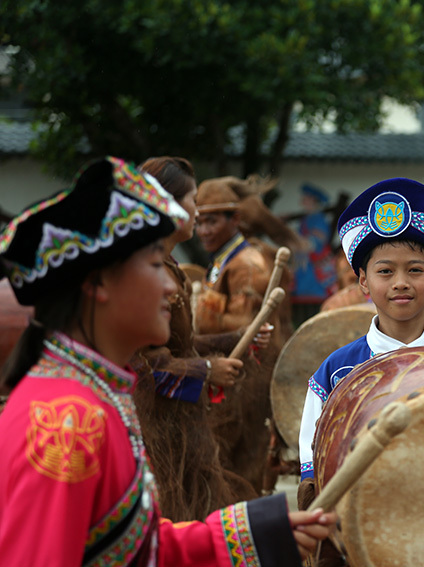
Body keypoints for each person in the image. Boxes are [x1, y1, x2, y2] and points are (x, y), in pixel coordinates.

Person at [0, 156, 336, 565]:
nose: (170, 286)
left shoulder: (95, 396)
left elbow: (137, 548)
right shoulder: (67, 422)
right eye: (157, 264)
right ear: (98, 282)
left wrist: (257, 532)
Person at [297, 177, 424, 508]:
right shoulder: (336, 373)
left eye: (414, 270)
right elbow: (315, 472)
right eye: (385, 272)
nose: (400, 283)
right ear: (363, 281)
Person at [131, 156, 261, 519]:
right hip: (157, 429)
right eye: (193, 202)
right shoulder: (141, 270)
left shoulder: (168, 266)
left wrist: (235, 338)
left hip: (181, 424)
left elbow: (179, 346)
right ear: (167, 205)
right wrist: (206, 370)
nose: (197, 213)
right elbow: (143, 364)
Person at [193, 178, 287, 493]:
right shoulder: (224, 259)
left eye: (212, 221)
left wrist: (202, 312)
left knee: (240, 473)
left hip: (246, 381)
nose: (203, 230)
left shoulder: (246, 263)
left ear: (235, 220)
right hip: (230, 375)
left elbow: (246, 325)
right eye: (200, 221)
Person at [291, 182, 337, 327]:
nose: (303, 201)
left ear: (313, 200)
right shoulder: (306, 219)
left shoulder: (318, 219)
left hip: (314, 274)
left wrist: (296, 242)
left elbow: (314, 243)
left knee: (313, 314)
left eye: (306, 198)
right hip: (303, 272)